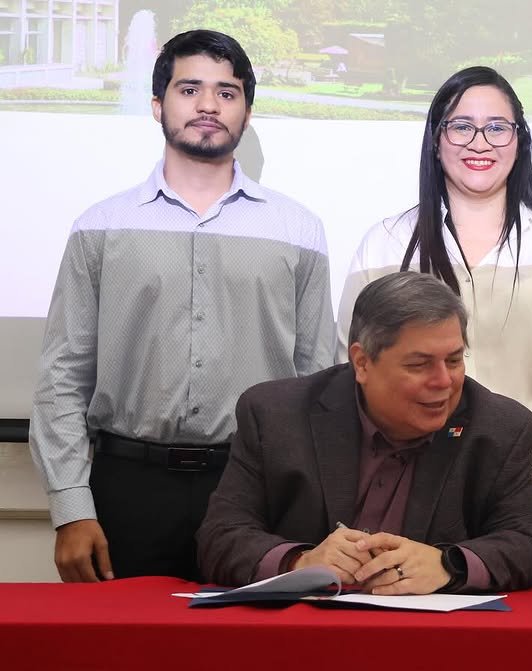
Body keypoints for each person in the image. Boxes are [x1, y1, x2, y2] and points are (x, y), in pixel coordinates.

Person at [29, 30, 334, 583]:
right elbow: (62, 378)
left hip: (257, 488)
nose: (208, 105)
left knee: (253, 661)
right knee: (123, 664)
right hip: (128, 488)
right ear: (157, 105)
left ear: (246, 110)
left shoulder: (298, 230)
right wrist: (71, 508)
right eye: (189, 89)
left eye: (227, 92)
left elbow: (319, 380)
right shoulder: (100, 227)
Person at [334, 66, 532, 586]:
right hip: (402, 479)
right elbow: (350, 366)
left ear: (520, 141)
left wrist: (527, 472)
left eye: (498, 127)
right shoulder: (384, 244)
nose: (479, 142)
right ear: (436, 141)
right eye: (460, 126)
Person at [197, 272, 532, 592]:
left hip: (431, 641)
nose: (444, 381)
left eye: (454, 360)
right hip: (301, 635)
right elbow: (220, 536)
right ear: (362, 363)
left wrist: (447, 565)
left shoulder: (500, 428)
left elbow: (526, 545)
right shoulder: (276, 415)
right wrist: (299, 562)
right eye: (419, 364)